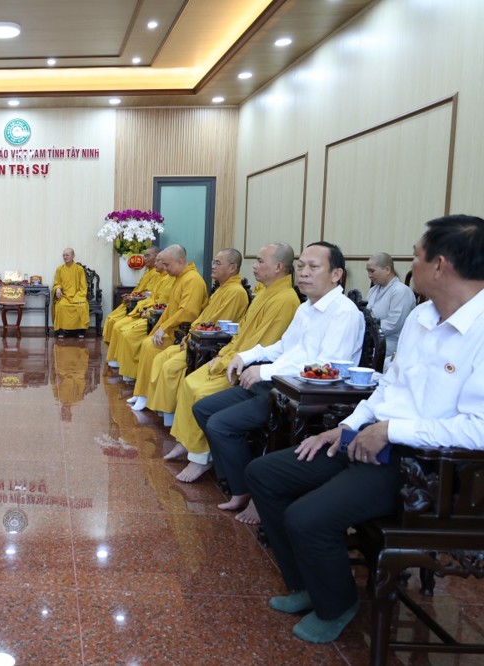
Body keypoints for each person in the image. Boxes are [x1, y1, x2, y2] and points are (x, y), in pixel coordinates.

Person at [245, 214, 484, 644]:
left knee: (307, 517)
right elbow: (389, 386)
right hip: (373, 440)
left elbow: (478, 430)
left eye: (416, 255)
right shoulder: (422, 316)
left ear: (440, 265)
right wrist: (347, 426)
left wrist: (392, 431)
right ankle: (309, 584)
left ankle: (337, 605)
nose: (411, 263)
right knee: (265, 474)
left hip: (429, 468)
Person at [191, 241, 364, 524]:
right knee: (203, 408)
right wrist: (247, 356)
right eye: (302, 266)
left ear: (336, 275)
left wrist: (265, 371)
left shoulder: (344, 313)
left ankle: (247, 491)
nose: (304, 273)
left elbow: (325, 367)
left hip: (302, 397)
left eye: (313, 267)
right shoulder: (306, 307)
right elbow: (284, 346)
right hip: (276, 386)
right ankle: (236, 481)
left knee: (221, 425)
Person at [166, 243, 300, 484]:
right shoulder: (265, 294)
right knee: (190, 381)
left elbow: (263, 344)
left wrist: (228, 360)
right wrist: (224, 353)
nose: (254, 266)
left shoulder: (286, 300)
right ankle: (186, 442)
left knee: (201, 393)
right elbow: (242, 334)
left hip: (247, 370)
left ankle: (201, 457)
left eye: (260, 261)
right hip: (233, 357)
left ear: (279, 267)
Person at [129, 248, 249, 412]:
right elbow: (203, 317)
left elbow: (207, 319)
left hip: (205, 342)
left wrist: (187, 334)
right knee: (156, 352)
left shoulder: (233, 292)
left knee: (165, 361)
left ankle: (163, 409)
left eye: (218, 263)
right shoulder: (220, 288)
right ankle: (145, 395)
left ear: (233, 268)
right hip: (192, 335)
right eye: (213, 262)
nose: (213, 266)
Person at [115, 245, 208, 381]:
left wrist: (163, 328)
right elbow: (170, 309)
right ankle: (143, 387)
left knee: (150, 346)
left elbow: (187, 312)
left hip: (182, 331)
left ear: (180, 261)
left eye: (167, 264)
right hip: (171, 328)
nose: (165, 268)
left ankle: (147, 388)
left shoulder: (192, 280)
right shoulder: (180, 278)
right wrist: (159, 328)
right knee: (147, 342)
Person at [106, 252, 175, 368]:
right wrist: (133, 298)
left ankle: (128, 367)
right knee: (114, 321)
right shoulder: (158, 275)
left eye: (162, 262)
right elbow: (151, 296)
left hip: (157, 317)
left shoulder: (178, 279)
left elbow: (165, 305)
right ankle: (117, 358)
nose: (145, 259)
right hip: (145, 309)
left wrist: (146, 310)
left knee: (124, 331)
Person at [365, 252, 416, 362]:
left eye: (372, 271)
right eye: (368, 271)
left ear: (387, 270)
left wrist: (367, 328)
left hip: (390, 345)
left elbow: (393, 324)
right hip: (371, 339)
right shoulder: (373, 290)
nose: (369, 275)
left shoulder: (401, 291)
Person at [102, 247, 160, 344]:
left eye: (147, 256)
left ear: (157, 257)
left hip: (141, 306)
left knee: (115, 323)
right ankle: (112, 348)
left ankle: (115, 349)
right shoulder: (148, 271)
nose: (144, 259)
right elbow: (140, 289)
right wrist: (130, 295)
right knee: (110, 318)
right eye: (144, 256)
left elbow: (148, 294)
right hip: (134, 302)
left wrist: (133, 297)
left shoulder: (156, 273)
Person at [52, 248, 90, 338]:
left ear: (73, 256)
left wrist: (79, 298)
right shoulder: (59, 269)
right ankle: (62, 330)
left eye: (67, 255)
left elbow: (83, 286)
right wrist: (57, 289)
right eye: (64, 255)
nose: (65, 257)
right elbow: (56, 283)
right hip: (64, 296)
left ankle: (81, 330)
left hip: (78, 295)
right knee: (61, 306)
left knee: (82, 306)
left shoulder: (79, 269)